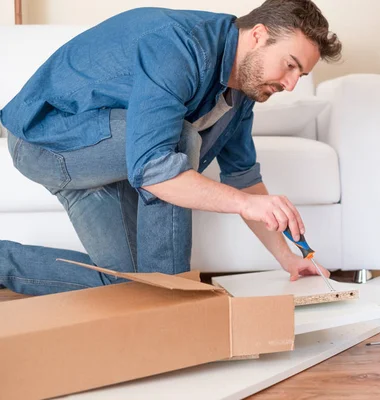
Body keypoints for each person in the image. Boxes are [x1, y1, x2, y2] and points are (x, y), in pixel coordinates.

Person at [0, 0, 342, 295]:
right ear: (258, 35)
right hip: (46, 142)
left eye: (301, 74)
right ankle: (174, 297)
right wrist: (247, 204)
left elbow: (243, 177)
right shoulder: (181, 47)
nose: (292, 84)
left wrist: (288, 260)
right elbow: (155, 167)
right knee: (178, 139)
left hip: (102, 161)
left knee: (136, 285)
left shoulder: (243, 93)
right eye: (291, 65)